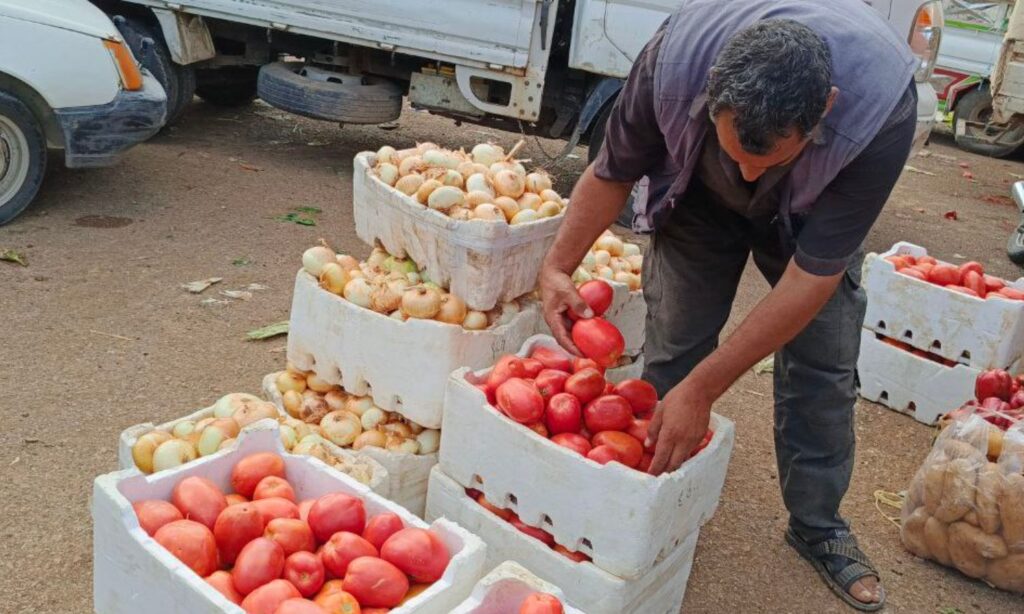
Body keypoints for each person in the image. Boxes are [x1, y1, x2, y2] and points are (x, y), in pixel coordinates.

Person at [539, 0, 918, 610]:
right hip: (697, 198)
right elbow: (613, 170)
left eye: (765, 160)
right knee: (676, 343)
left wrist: (706, 389)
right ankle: (652, 499)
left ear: (825, 108)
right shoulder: (673, 61)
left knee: (824, 360)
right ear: (712, 91)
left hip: (810, 213)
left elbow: (810, 281)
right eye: (736, 150)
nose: (745, 172)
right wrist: (557, 265)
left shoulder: (881, 111)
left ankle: (817, 525)